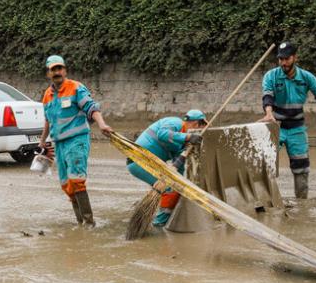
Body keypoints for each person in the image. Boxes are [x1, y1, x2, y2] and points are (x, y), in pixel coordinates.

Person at [260, 42, 316, 199]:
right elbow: (267, 96)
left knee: (301, 167)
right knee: (265, 163)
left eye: (286, 59)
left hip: (297, 128)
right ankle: (267, 201)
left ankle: (302, 204)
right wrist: (269, 113)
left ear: (295, 57)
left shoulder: (306, 77)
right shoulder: (271, 76)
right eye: (280, 59)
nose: (283, 63)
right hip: (276, 125)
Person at [38, 55, 113, 226]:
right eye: (53, 69)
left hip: (77, 140)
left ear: (65, 70)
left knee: (77, 180)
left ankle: (89, 223)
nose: (57, 72)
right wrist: (42, 141)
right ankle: (80, 222)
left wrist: (102, 124)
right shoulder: (47, 96)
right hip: (59, 144)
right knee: (66, 184)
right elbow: (47, 120)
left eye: (59, 68)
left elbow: (91, 107)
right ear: (48, 73)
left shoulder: (76, 88)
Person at [127, 110, 206, 227]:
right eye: (200, 126)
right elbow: (162, 134)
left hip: (150, 164)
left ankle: (158, 216)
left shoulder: (180, 143)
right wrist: (188, 137)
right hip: (138, 161)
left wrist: (182, 182)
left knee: (176, 186)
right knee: (171, 188)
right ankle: (159, 224)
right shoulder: (175, 123)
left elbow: (178, 169)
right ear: (195, 123)